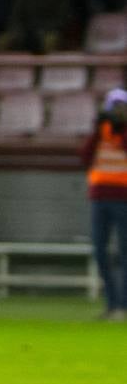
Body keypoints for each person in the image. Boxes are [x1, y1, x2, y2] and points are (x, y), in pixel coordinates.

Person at [80, 89, 127, 321]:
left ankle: (124, 306)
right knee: (100, 251)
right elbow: (85, 157)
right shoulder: (100, 132)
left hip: (124, 199)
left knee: (125, 253)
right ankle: (113, 303)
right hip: (100, 198)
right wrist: (98, 131)